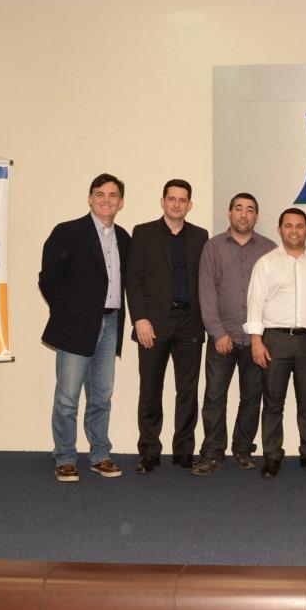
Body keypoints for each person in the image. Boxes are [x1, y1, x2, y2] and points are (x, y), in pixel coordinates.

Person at [40, 173, 130, 482]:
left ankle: (100, 455)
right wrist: (68, 313)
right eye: (100, 194)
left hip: (111, 322)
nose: (107, 200)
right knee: (67, 397)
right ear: (90, 198)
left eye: (113, 195)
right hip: (75, 325)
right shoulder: (67, 232)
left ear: (121, 202)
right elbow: (48, 279)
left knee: (101, 396)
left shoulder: (124, 238)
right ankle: (65, 457)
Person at [245, 208, 306, 479]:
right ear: (280, 229)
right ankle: (272, 456)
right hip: (274, 340)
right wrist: (256, 341)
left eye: (299, 226)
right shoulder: (266, 263)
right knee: (273, 402)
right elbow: (255, 303)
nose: (294, 230)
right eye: (288, 225)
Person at [126, 179, 209, 473]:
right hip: (153, 324)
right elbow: (133, 279)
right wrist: (140, 318)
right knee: (150, 389)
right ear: (162, 202)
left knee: (188, 391)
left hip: (189, 324)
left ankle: (184, 450)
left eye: (182, 200)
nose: (176, 204)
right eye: (171, 199)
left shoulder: (200, 236)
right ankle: (149, 451)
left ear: (190, 205)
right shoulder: (143, 233)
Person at [192, 192, 276, 476]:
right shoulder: (213, 247)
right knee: (214, 397)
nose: (244, 214)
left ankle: (242, 449)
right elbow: (206, 293)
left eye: (250, 209)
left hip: (256, 340)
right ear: (229, 213)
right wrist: (218, 333)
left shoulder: (269, 249)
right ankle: (213, 451)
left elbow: (274, 297)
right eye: (238, 208)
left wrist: (260, 336)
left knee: (252, 397)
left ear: (256, 216)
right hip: (222, 338)